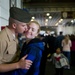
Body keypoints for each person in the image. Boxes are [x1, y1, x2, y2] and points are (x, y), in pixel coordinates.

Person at [0, 7, 32, 74]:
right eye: (23, 26)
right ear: (14, 25)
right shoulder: (2, 39)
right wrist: (18, 65)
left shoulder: (15, 35)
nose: (26, 28)